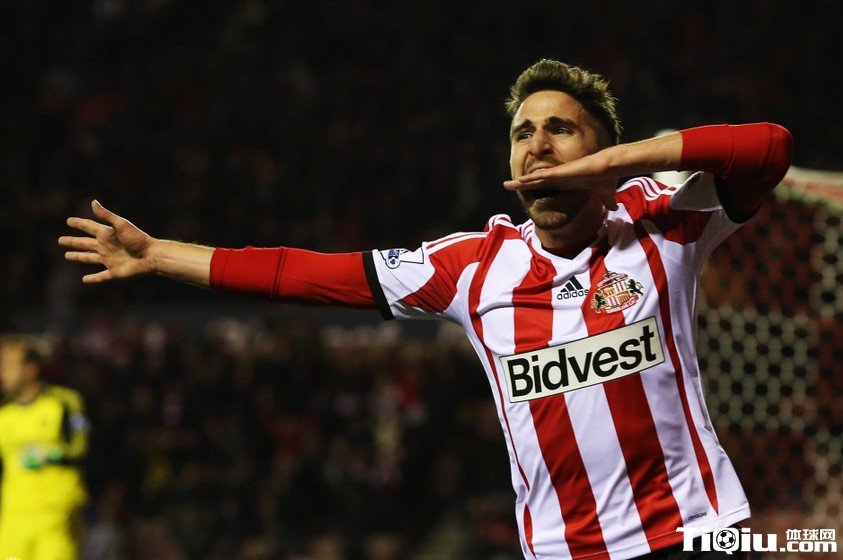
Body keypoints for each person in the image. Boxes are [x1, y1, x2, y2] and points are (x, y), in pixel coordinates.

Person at [59, 59, 792, 559]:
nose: (537, 145)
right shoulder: (470, 266)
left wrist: (614, 166)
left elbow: (768, 148)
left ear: (605, 151)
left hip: (702, 533)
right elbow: (302, 274)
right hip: (561, 549)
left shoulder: (660, 220)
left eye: (560, 129)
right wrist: (158, 255)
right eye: (522, 134)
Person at [0, 334, 89, 560]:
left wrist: (49, 455)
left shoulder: (64, 402)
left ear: (31, 369)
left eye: (9, 365)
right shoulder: (4, 413)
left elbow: (81, 449)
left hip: (55, 516)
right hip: (13, 518)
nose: (3, 372)